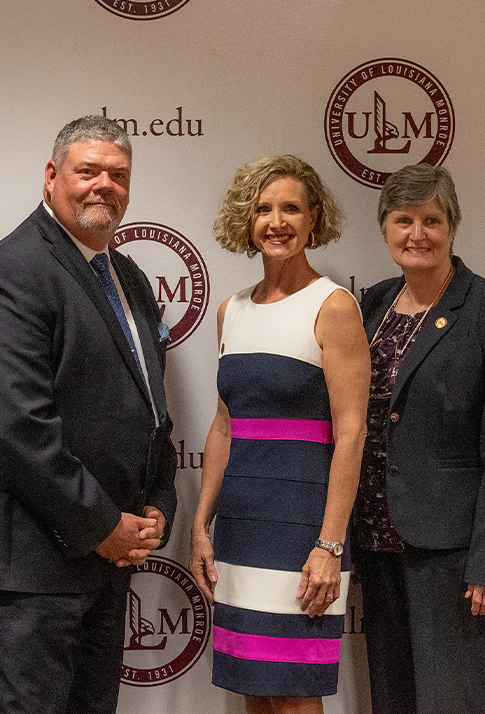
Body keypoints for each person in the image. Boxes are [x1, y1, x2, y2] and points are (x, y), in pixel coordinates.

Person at [0, 115, 177, 714]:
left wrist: (158, 497)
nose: (105, 185)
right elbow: (15, 425)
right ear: (51, 177)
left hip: (103, 566)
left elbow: (148, 404)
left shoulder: (126, 276)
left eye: (118, 175)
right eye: (88, 171)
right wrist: (100, 524)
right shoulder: (12, 270)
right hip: (27, 572)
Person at [190, 155, 369, 713]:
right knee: (255, 689)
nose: (276, 222)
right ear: (246, 220)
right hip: (240, 527)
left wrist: (329, 545)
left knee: (293, 692)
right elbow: (224, 426)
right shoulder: (231, 310)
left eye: (290, 208)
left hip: (302, 529)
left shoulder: (334, 306)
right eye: (263, 209)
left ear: (314, 218)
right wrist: (200, 526)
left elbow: (352, 433)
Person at [354, 163, 485, 714]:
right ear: (385, 229)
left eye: (431, 220)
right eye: (403, 220)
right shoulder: (373, 304)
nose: (417, 234)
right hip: (377, 541)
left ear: (452, 226)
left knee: (452, 702)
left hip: (454, 552)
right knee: (393, 701)